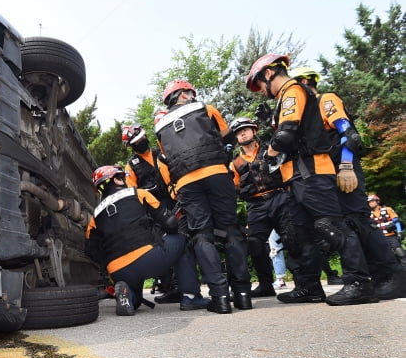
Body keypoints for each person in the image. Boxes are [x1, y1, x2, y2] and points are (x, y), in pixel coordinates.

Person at [246, 54, 377, 306]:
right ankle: (310, 286)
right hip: (295, 176)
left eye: (260, 84)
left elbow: (286, 135)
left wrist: (266, 158)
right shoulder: (287, 96)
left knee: (331, 226)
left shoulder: (292, 90)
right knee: (299, 233)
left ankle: (360, 283)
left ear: (269, 73)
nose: (262, 91)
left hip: (312, 171)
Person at [290, 66, 406, 298]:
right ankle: (371, 277)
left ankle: (391, 275)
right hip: (327, 173)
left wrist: (346, 166)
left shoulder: (325, 100)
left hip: (344, 166)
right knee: (344, 223)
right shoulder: (308, 113)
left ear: (304, 82)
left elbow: (348, 133)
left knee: (358, 220)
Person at [154, 79, 253, 314]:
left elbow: (166, 157)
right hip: (217, 173)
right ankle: (242, 295)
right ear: (184, 93)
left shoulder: (160, 127)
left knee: (202, 236)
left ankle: (219, 298)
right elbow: (227, 137)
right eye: (189, 92)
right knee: (230, 231)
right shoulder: (205, 108)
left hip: (186, 183)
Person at [85, 165, 209, 316]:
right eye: (121, 177)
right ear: (116, 180)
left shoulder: (95, 216)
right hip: (149, 259)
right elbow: (170, 223)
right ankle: (191, 297)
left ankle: (128, 295)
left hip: (118, 271)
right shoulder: (139, 193)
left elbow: (91, 252)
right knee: (182, 241)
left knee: (135, 300)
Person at [229, 117, 291, 298]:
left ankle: (305, 283)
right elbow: (234, 188)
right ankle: (265, 285)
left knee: (292, 238)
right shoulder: (235, 163)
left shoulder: (270, 150)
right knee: (255, 244)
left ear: (254, 131)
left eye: (246, 129)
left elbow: (286, 171)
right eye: (238, 132)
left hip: (278, 197)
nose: (242, 133)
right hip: (256, 205)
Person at [122, 123, 180, 303]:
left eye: (142, 138)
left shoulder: (159, 153)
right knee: (161, 245)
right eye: (137, 141)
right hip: (152, 210)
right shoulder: (131, 166)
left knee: (182, 240)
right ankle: (169, 286)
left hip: (172, 201)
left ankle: (181, 285)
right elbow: (132, 194)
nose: (142, 142)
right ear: (131, 145)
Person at [368, 194, 406, 269]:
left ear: (377, 201)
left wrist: (399, 232)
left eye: (372, 201)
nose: (371, 203)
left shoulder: (387, 209)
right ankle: (394, 272)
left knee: (399, 252)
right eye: (369, 202)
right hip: (379, 238)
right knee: (385, 256)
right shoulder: (369, 214)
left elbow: (396, 221)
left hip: (391, 235)